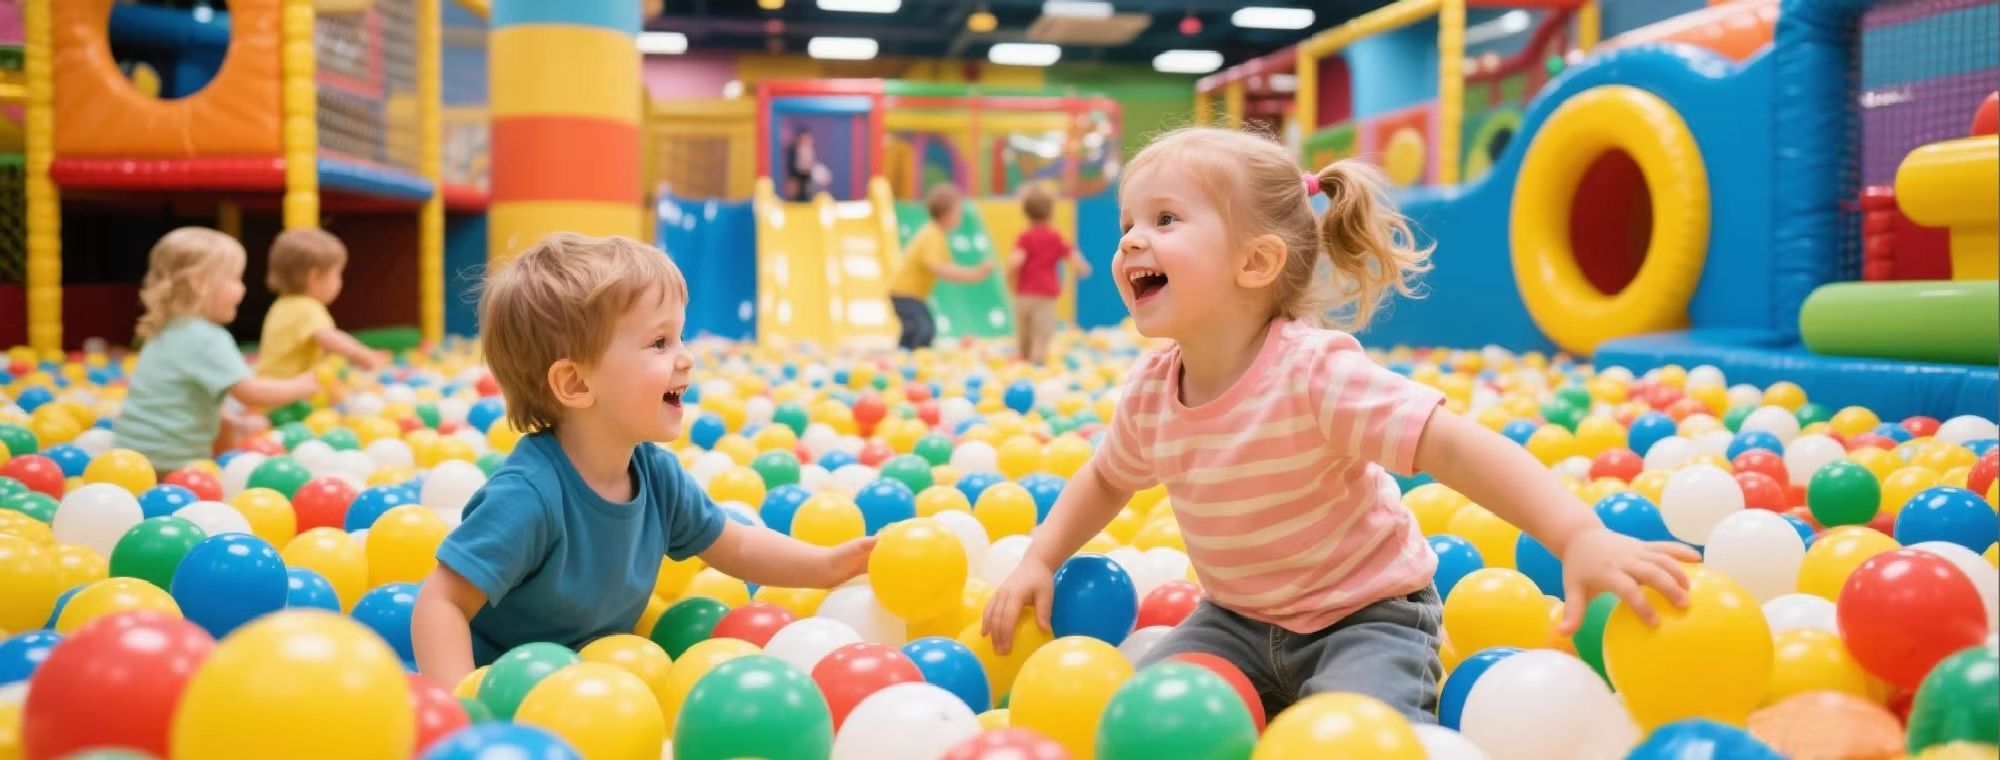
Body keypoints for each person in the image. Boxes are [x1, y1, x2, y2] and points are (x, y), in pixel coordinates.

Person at [980, 127, 1696, 723]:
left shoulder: (1314, 373)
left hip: (1368, 617)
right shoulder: (1150, 392)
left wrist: (1578, 536)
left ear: (1256, 262)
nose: (1132, 241)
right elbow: (1107, 477)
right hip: (1234, 620)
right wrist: (1040, 558)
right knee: (1143, 722)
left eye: (1165, 220)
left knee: (1350, 737)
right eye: (1127, 223)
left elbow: (1453, 445)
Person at [411, 233, 875, 687]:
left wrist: (826, 566)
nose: (686, 358)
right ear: (575, 384)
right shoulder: (527, 496)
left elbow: (734, 545)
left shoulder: (655, 475)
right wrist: (462, 708)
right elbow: (442, 601)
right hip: (512, 688)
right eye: (660, 343)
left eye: (680, 337)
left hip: (606, 688)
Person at [115, 227, 321, 470]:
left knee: (230, 420)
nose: (243, 289)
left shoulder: (166, 329)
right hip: (175, 462)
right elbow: (251, 393)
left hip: (131, 458)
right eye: (235, 279)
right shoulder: (207, 337)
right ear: (199, 283)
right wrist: (300, 386)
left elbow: (183, 398)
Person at [255, 228, 390, 383]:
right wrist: (365, 356)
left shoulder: (281, 305)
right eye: (337, 274)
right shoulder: (307, 308)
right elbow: (329, 337)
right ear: (314, 277)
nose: (340, 282)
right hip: (287, 394)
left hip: (268, 385)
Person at [888, 184, 993, 351]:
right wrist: (976, 273)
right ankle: (912, 358)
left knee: (919, 328)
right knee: (923, 329)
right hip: (905, 293)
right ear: (945, 214)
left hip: (911, 295)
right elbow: (938, 267)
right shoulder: (932, 234)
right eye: (957, 212)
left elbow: (950, 269)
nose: (960, 217)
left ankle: (905, 355)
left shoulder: (937, 234)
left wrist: (976, 274)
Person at [1008, 184, 1091, 364]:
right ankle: (1035, 368)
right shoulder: (1054, 237)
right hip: (1044, 295)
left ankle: (1022, 363)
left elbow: (1015, 261)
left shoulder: (1025, 237)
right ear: (1051, 212)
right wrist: (1082, 267)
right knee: (1041, 336)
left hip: (1022, 294)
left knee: (1024, 336)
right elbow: (1073, 256)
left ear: (1026, 212)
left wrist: (1010, 279)